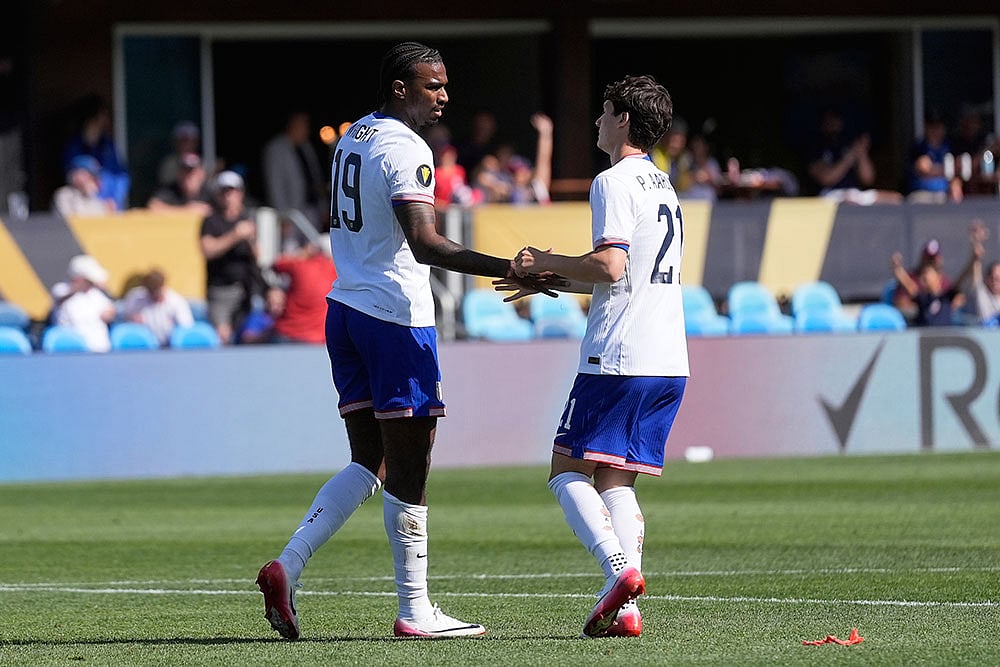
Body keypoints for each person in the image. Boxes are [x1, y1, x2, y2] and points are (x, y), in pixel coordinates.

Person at [255, 41, 553, 641]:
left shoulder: (353, 137)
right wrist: (509, 267)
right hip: (395, 317)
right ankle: (415, 610)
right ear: (400, 89)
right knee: (409, 467)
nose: (444, 97)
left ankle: (287, 565)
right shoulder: (406, 147)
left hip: (347, 310)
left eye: (444, 85)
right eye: (432, 86)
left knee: (371, 459)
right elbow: (425, 243)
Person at [497, 74, 688, 638]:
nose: (598, 121)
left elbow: (610, 267)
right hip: (669, 358)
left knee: (565, 471)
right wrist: (554, 271)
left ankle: (619, 572)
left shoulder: (613, 180)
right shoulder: (664, 184)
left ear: (624, 120)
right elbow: (620, 271)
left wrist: (542, 262)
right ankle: (626, 612)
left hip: (619, 354)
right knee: (616, 482)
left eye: (605, 112)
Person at [198, 170, 263, 345]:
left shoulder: (248, 218)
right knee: (223, 336)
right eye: (224, 191)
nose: (228, 196)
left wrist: (250, 239)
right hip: (221, 290)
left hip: (246, 288)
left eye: (232, 191)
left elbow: (259, 255)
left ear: (240, 193)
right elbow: (207, 250)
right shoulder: (211, 221)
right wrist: (235, 235)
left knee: (249, 336)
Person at [806, 107, 902, 205]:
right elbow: (826, 178)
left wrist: (862, 152)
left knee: (896, 198)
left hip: (854, 193)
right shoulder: (816, 146)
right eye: (829, 119)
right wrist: (850, 156)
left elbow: (868, 179)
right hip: (830, 196)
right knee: (849, 203)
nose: (833, 123)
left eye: (836, 119)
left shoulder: (847, 142)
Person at [61, 94, 130, 210]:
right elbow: (75, 175)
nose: (106, 120)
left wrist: (115, 200)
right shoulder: (74, 147)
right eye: (102, 115)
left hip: (111, 208)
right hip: (86, 208)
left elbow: (121, 176)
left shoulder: (108, 145)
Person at [262, 111, 327, 232]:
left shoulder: (307, 147)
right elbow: (275, 185)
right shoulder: (276, 148)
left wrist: (323, 208)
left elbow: (315, 177)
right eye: (303, 124)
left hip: (311, 210)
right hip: (290, 213)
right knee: (291, 248)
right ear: (293, 125)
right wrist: (283, 215)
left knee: (313, 247)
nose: (307, 128)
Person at [268, 241, 338, 344]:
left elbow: (276, 264)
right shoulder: (334, 270)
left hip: (288, 333)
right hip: (318, 338)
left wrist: (302, 253)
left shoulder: (298, 265)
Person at [52, 254, 116, 352]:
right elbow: (60, 298)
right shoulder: (61, 289)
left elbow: (109, 313)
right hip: (72, 351)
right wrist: (77, 286)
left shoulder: (95, 294)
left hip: (100, 349)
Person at [120, 268, 194, 347]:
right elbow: (125, 320)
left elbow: (186, 328)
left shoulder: (176, 301)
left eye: (157, 291)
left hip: (169, 347)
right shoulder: (135, 298)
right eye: (151, 292)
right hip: (143, 348)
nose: (154, 295)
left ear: (164, 287)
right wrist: (132, 319)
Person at [909, 111, 963, 203]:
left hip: (945, 193)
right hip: (922, 194)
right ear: (926, 128)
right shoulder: (920, 146)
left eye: (938, 127)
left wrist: (955, 182)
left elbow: (959, 169)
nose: (935, 130)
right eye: (932, 127)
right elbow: (924, 168)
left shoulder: (949, 146)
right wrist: (949, 169)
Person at [147, 152, 213, 217]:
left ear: (201, 174)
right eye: (184, 170)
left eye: (191, 171)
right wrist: (186, 210)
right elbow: (153, 207)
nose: (187, 176)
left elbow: (219, 210)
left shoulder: (209, 193)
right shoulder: (170, 190)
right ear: (178, 173)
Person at [52, 155, 116, 217]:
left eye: (93, 176)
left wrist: (108, 210)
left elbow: (101, 220)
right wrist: (86, 192)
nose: (91, 179)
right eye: (88, 174)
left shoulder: (94, 198)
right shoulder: (64, 194)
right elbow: (72, 219)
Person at [965, 219, 1000, 326]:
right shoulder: (981, 295)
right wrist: (976, 242)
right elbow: (976, 270)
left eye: (998, 279)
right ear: (987, 278)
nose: (995, 282)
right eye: (992, 277)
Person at [157, 121, 200, 187]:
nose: (187, 144)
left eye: (190, 140)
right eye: (183, 140)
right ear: (176, 142)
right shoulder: (169, 163)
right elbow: (165, 184)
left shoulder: (202, 163)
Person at [683, 133, 722, 201]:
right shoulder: (686, 163)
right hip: (690, 203)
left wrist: (708, 178)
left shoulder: (712, 163)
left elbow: (719, 189)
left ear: (705, 147)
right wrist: (692, 176)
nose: (696, 150)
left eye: (699, 146)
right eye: (694, 147)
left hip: (709, 204)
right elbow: (680, 185)